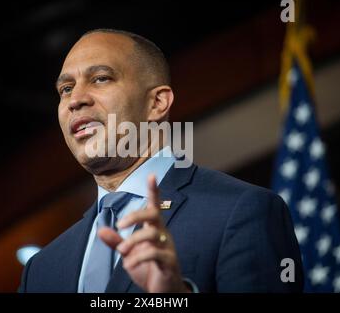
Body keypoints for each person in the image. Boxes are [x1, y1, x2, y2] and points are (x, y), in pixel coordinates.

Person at [18, 29, 304, 293]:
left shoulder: (242, 211)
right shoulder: (42, 268)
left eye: (101, 78)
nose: (74, 99)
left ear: (157, 103)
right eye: (66, 88)